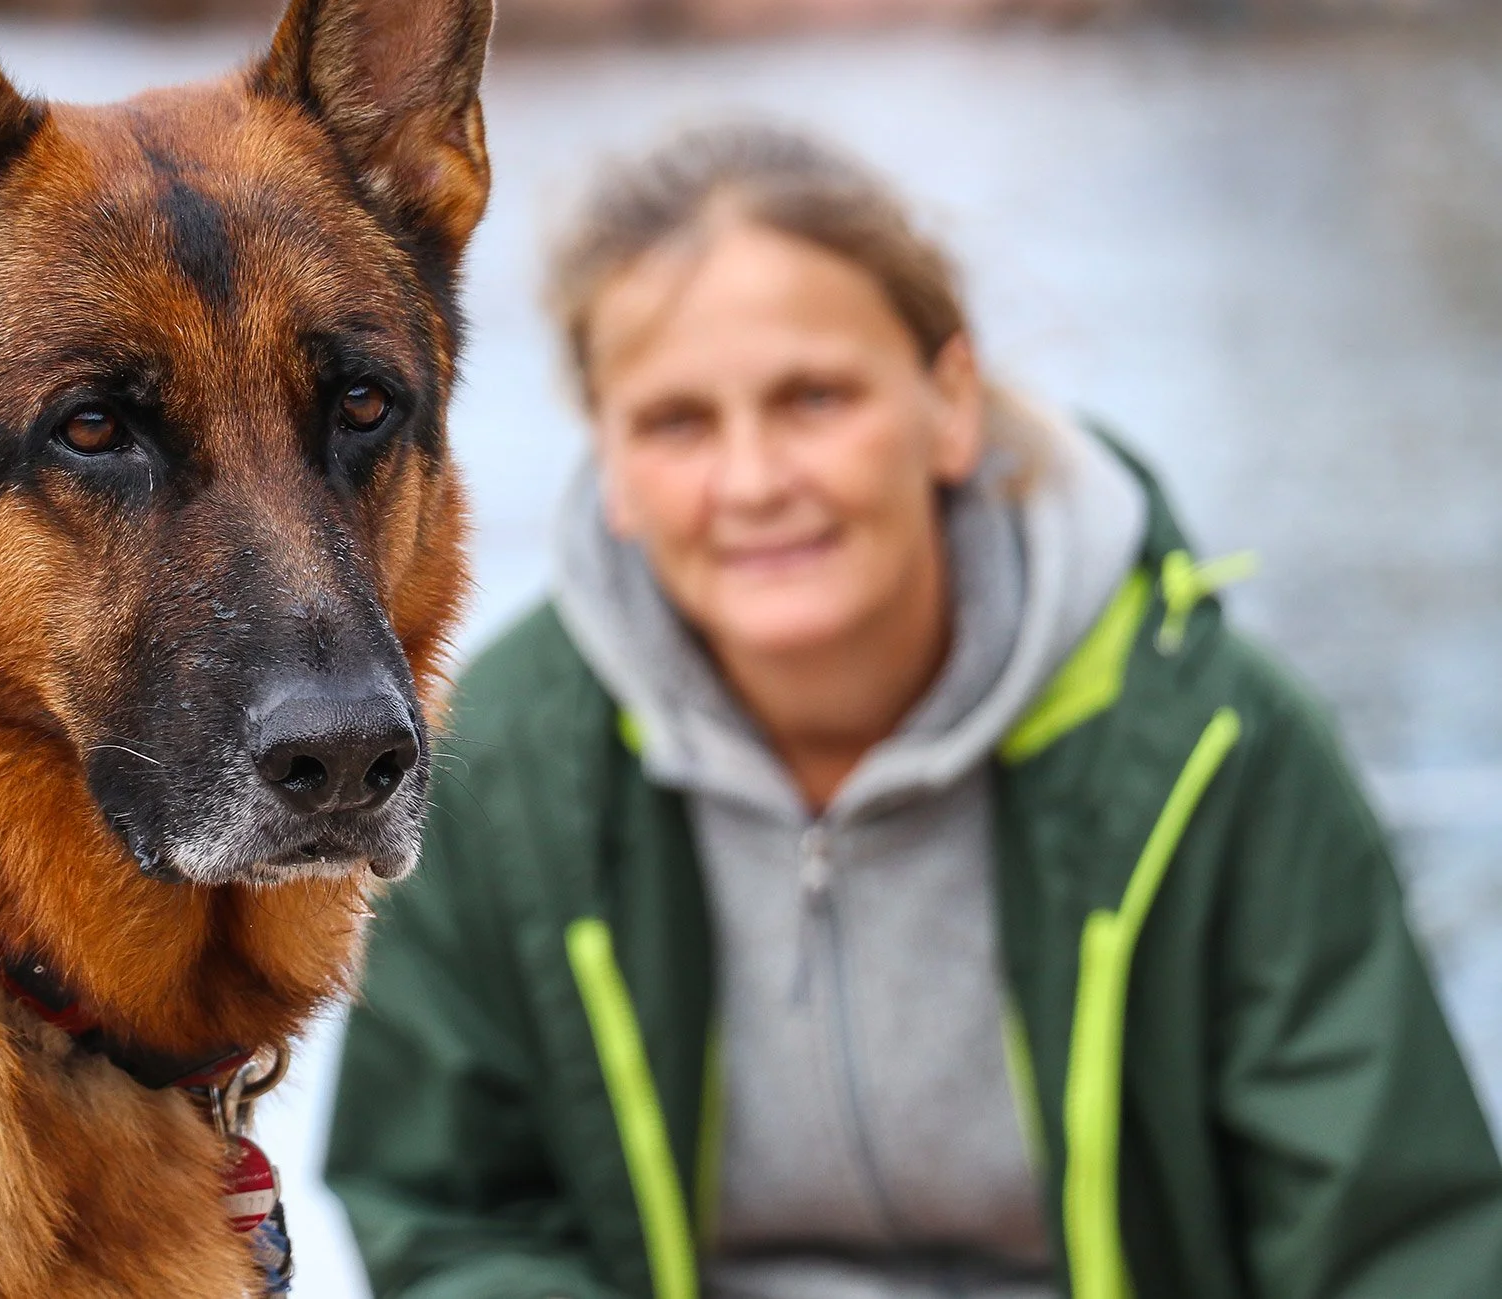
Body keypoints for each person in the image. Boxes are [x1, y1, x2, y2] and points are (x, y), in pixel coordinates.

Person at [325, 123, 1502, 1299]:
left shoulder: (1215, 748)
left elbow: (1394, 1242)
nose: (753, 480)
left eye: (814, 398)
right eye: (677, 423)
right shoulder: (507, 766)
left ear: (948, 402)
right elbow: (446, 1213)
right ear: (612, 463)